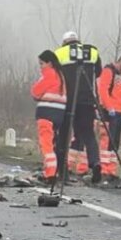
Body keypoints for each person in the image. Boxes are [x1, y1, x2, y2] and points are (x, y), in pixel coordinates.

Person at [55, 31, 102, 185]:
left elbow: (55, 76)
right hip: (87, 100)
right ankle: (95, 162)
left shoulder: (59, 53)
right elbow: (98, 72)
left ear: (65, 42)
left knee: (64, 135)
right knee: (88, 134)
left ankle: (63, 173)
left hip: (68, 100)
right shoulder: (92, 52)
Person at [96, 52, 121, 182]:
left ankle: (111, 170)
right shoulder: (108, 70)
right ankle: (103, 170)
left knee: (115, 143)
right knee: (106, 141)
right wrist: (109, 107)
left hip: (117, 112)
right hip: (108, 112)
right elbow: (103, 90)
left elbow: (120, 96)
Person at [31, 50, 67, 186]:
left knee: (46, 144)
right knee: (53, 143)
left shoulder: (49, 74)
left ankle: (50, 174)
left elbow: (35, 92)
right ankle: (53, 171)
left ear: (49, 63)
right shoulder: (61, 76)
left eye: (42, 64)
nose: (40, 67)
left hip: (46, 113)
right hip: (59, 114)